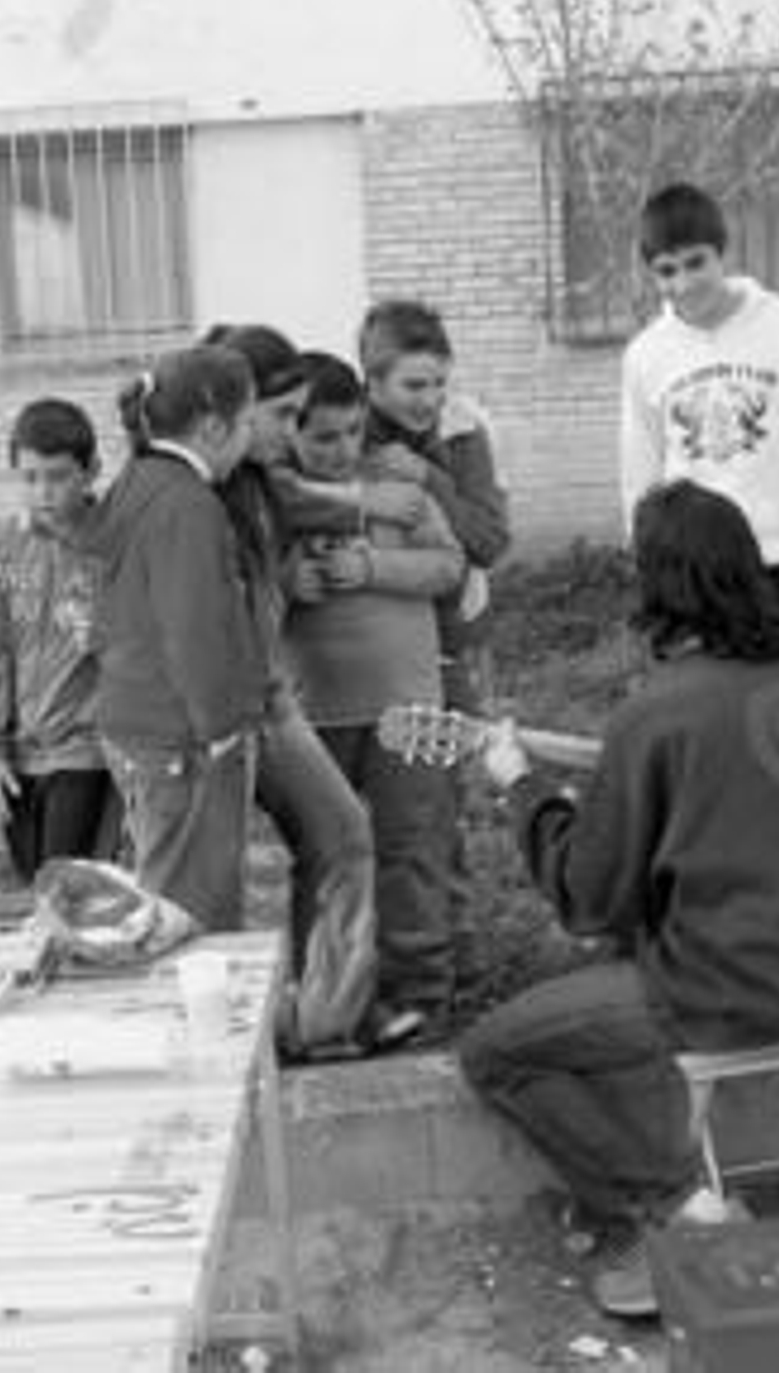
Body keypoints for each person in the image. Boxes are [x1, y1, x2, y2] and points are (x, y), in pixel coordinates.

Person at [461, 480, 779, 1320]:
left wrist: (523, 789)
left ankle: (675, 1208)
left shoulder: (657, 713)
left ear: (655, 585)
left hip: (726, 993)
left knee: (494, 1051)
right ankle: (667, 1190)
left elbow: (589, 899)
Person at [199, 323, 382, 1056]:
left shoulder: (262, 486)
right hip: (209, 718)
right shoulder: (190, 494)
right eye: (282, 414)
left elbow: (353, 503)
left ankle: (322, 1022)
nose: (293, 429)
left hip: (271, 703)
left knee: (344, 838)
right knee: (209, 888)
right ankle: (222, 1039)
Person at [281, 353, 466, 1044]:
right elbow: (245, 585)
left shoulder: (395, 487)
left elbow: (449, 567)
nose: (339, 450)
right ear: (290, 433)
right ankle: (336, 1004)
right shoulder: (279, 500)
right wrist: (287, 579)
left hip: (407, 706)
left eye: (351, 432)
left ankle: (421, 1000)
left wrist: (372, 567)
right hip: (317, 712)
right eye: (321, 437)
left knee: (412, 852)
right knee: (329, 862)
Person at [619, 181, 779, 639]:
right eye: (666, 271)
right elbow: (640, 477)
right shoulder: (645, 355)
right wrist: (652, 570)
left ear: (722, 252)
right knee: (713, 709)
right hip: (701, 578)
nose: (684, 284)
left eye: (696, 263)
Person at [91, 346, 266, 937]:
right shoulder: (189, 505)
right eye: (248, 422)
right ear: (214, 427)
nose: (252, 435)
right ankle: (194, 1023)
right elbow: (194, 628)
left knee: (163, 888)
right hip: (180, 736)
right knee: (192, 910)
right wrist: (221, 731)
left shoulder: (136, 480)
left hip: (133, 722)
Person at [0, 398, 116, 882]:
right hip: (17, 754)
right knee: (36, 883)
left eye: (57, 477)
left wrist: (102, 632)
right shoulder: (1, 543)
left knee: (64, 883)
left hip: (87, 747)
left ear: (91, 471)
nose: (43, 492)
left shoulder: (113, 542)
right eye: (29, 477)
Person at [357, 298, 511, 713]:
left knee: (466, 765)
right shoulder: (341, 433)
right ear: (372, 382)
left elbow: (490, 544)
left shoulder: (464, 430)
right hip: (370, 642)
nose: (431, 400)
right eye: (414, 386)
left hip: (456, 644)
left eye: (440, 383)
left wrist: (431, 478)